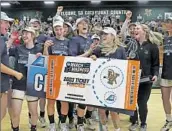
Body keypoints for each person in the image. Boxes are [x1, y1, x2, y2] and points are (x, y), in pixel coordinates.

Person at [90, 27, 126, 131]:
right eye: (103, 34)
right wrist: (93, 58)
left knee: (113, 111)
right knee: (101, 111)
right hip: (100, 85)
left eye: (106, 34)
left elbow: (125, 66)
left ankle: (117, 129)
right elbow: (92, 61)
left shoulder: (120, 49)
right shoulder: (99, 49)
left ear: (113, 36)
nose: (103, 36)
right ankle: (104, 128)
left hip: (115, 86)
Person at [10, 27, 42, 131]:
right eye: (23, 33)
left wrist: (41, 57)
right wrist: (11, 40)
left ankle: (33, 128)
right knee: (15, 113)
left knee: (34, 113)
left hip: (32, 85)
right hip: (18, 84)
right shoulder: (17, 48)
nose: (24, 35)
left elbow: (46, 63)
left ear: (33, 35)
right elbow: (4, 51)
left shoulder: (38, 49)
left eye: (27, 33)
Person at [129, 24, 160, 131]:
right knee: (131, 102)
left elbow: (156, 64)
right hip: (132, 79)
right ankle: (134, 121)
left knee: (142, 102)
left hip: (146, 80)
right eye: (134, 29)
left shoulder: (153, 47)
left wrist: (155, 74)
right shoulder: (131, 45)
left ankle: (143, 123)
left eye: (137, 28)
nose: (134, 30)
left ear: (144, 32)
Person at [69, 17, 96, 131]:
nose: (85, 25)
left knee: (90, 99)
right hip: (79, 73)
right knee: (81, 99)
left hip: (90, 73)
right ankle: (79, 123)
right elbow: (73, 58)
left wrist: (93, 56)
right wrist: (88, 53)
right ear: (77, 27)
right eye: (81, 23)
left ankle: (86, 118)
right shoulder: (74, 40)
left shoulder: (91, 40)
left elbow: (93, 55)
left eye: (86, 23)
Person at [43, 16, 70, 131]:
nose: (58, 31)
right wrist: (45, 47)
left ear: (64, 29)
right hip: (52, 75)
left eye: (60, 29)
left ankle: (63, 123)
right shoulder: (50, 41)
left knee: (64, 101)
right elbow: (45, 58)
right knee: (51, 101)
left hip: (65, 75)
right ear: (54, 30)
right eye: (56, 29)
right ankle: (52, 124)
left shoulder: (69, 42)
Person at [0, 11, 23, 121]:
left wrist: (11, 40)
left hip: (3, 82)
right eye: (6, 23)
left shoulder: (2, 39)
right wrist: (16, 73)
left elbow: (4, 51)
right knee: (1, 113)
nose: (8, 26)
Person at [29, 18, 48, 128]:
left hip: (41, 67)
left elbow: (47, 53)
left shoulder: (44, 37)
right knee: (30, 95)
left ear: (40, 26)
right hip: (29, 68)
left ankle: (41, 116)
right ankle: (31, 117)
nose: (35, 25)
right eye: (33, 23)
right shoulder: (25, 36)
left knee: (42, 96)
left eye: (37, 23)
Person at [160, 17, 172, 131]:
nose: (168, 24)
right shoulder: (164, 39)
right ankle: (169, 120)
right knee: (164, 98)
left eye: (170, 22)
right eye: (167, 22)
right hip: (166, 72)